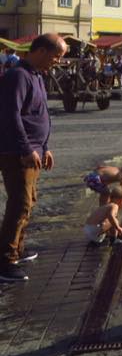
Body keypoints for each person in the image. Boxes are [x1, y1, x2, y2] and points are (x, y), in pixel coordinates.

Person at [0, 33, 66, 282]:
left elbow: (39, 115)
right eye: (56, 56)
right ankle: (5, 261)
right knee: (20, 204)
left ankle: (17, 248)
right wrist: (27, 149)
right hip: (18, 153)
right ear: (41, 51)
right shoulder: (17, 76)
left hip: (34, 151)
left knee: (29, 201)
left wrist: (45, 146)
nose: (58, 62)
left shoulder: (36, 76)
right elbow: (11, 116)